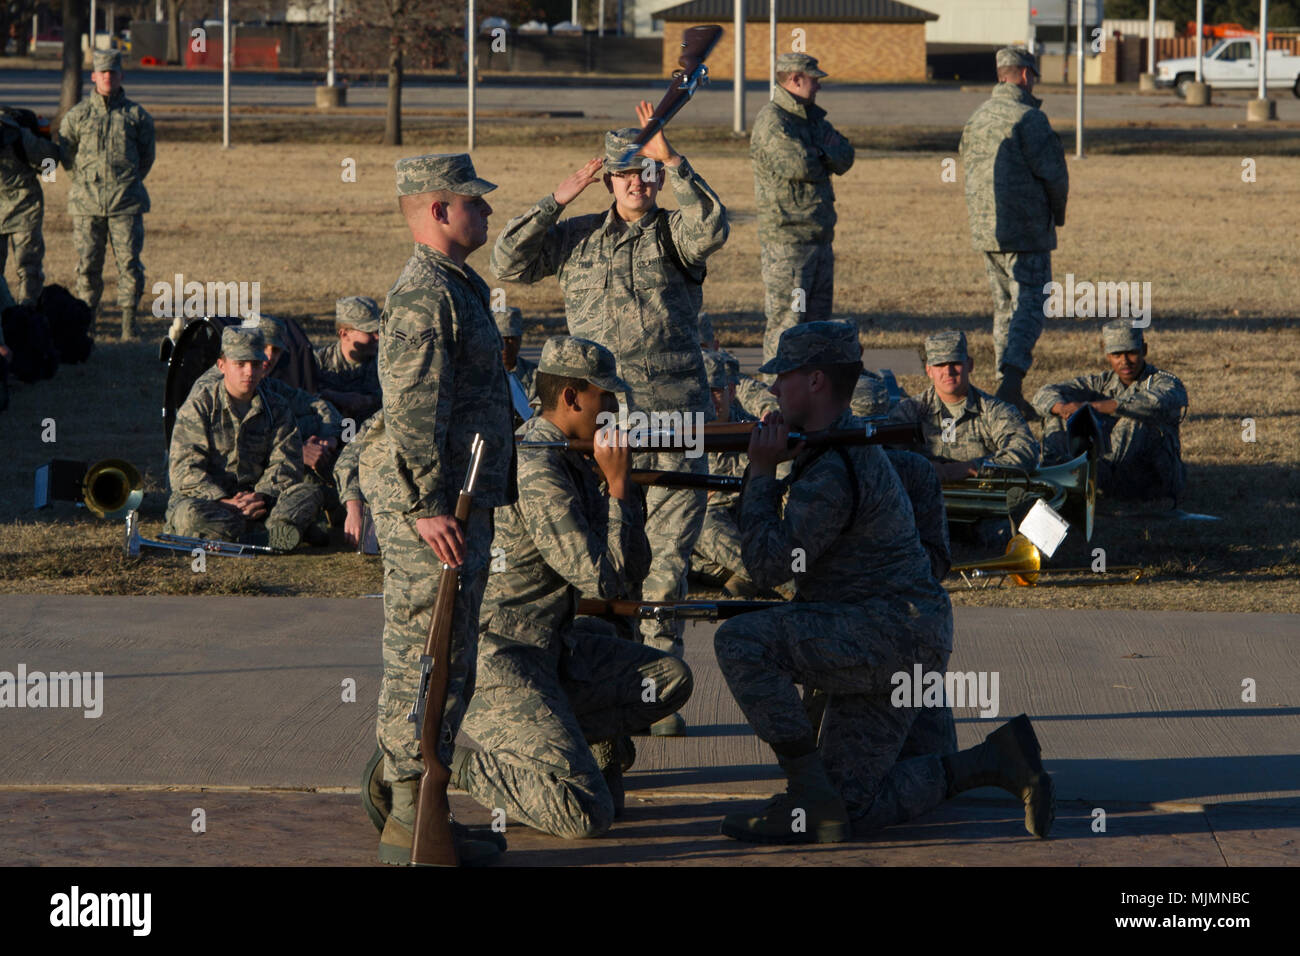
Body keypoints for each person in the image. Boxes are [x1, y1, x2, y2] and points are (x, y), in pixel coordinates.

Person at [713, 320, 1054, 843]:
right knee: (853, 811)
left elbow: (766, 568)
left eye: (784, 376)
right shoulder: (843, 447)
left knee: (739, 642)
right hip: (896, 637)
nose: (775, 389)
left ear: (817, 381)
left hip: (883, 640)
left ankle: (808, 791)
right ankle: (996, 761)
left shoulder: (832, 467)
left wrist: (760, 476)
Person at [490, 109, 729, 694]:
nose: (638, 184)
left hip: (674, 423)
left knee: (668, 558)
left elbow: (714, 227)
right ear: (607, 180)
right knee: (604, 550)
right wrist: (555, 200)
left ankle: (658, 677)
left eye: (648, 173)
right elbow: (507, 263)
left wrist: (675, 159)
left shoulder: (676, 234)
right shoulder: (577, 239)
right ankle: (610, 672)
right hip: (600, 424)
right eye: (626, 173)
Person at [452, 336, 692, 838]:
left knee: (669, 679)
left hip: (551, 649)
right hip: (503, 657)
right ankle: (434, 757)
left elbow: (631, 572)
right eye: (605, 398)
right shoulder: (538, 465)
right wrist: (620, 487)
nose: (613, 410)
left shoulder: (572, 458)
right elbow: (599, 579)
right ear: (571, 398)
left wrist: (620, 488)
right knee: (585, 813)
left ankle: (564, 744)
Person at [357, 153, 516, 865]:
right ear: (438, 212)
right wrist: (426, 505)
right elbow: (414, 409)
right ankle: (410, 827)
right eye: (473, 203)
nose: (486, 212)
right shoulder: (426, 295)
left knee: (444, 659)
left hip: (457, 501)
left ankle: (422, 815)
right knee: (428, 660)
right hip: (437, 511)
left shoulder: (456, 286)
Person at [959, 46, 1068, 418]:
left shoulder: (977, 117)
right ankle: (1011, 379)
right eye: (1033, 75)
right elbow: (1054, 174)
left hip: (987, 231)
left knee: (1004, 307)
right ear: (1024, 75)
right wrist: (1057, 214)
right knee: (1031, 303)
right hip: (1025, 231)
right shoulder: (1029, 119)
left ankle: (1008, 392)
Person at [165, 327, 323, 552]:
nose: (249, 372)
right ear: (222, 366)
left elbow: (286, 462)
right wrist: (223, 501)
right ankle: (274, 531)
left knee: (309, 493)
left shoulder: (277, 407)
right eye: (240, 364)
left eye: (255, 364)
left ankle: (262, 529)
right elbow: (184, 470)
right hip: (211, 503)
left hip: (261, 502)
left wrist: (261, 496)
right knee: (189, 515)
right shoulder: (199, 406)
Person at [751, 52, 855, 366]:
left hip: (819, 239)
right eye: (814, 80)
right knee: (789, 324)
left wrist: (820, 150)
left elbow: (846, 157)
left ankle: (811, 402)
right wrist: (823, 152)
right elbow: (798, 164)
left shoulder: (811, 119)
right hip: (789, 245)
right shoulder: (774, 121)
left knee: (817, 328)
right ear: (795, 79)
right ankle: (775, 401)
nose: (819, 87)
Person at [57, 49, 155, 341]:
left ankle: (128, 325)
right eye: (103, 72)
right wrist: (84, 183)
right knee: (88, 265)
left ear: (121, 75)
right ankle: (88, 325)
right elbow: (65, 153)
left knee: (129, 264)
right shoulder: (77, 116)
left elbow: (147, 157)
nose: (108, 77)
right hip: (87, 205)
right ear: (93, 76)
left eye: (113, 72)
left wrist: (126, 182)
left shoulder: (137, 116)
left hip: (126, 202)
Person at [1032, 320, 1187, 502]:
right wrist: (1064, 408)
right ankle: (1055, 478)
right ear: (1107, 354)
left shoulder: (1164, 381)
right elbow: (1044, 394)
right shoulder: (1101, 383)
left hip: (1151, 479)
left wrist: (1097, 407)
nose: (1125, 361)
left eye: (1131, 352)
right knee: (1058, 415)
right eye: (1116, 354)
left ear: (1144, 350)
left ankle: (1086, 478)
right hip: (1106, 474)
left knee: (1137, 419)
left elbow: (1158, 401)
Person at [887, 330, 1039, 483]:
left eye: (955, 363)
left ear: (970, 365)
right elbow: (884, 454)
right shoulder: (910, 411)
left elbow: (1026, 451)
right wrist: (921, 467)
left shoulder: (994, 411)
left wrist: (972, 468)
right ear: (929, 370)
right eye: (940, 364)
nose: (948, 371)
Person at [691, 349, 762, 597]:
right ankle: (746, 578)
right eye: (703, 392)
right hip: (707, 540)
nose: (711, 400)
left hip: (747, 524)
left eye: (717, 391)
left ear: (732, 392)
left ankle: (780, 581)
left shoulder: (752, 431)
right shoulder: (682, 436)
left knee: (703, 522)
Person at [0, 108, 60, 304]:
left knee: (29, 268)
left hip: (24, 207)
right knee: (28, 269)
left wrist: (46, 169)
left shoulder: (15, 132)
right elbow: (49, 168)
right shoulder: (14, 131)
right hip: (24, 204)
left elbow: (49, 165)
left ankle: (28, 317)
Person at [316, 296, 382, 423]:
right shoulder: (318, 363)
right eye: (369, 332)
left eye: (378, 330)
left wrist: (369, 401)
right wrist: (335, 397)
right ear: (344, 334)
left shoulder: (385, 363)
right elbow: (304, 393)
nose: (378, 337)